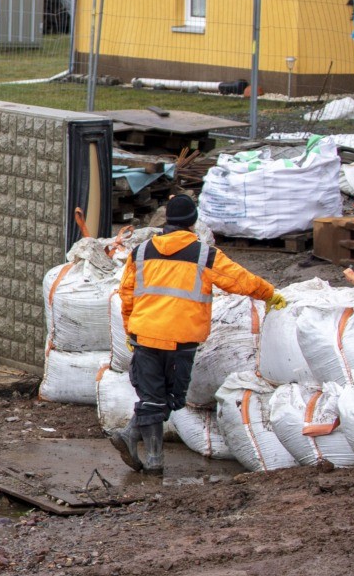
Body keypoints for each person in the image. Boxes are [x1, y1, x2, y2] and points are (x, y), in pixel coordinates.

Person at [112, 193, 286, 472]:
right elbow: (239, 280)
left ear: (167, 221)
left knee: (152, 397)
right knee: (171, 398)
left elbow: (127, 295)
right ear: (192, 223)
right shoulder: (204, 255)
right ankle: (153, 458)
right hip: (181, 340)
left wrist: (129, 330)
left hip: (145, 335)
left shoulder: (141, 252)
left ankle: (132, 435)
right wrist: (269, 294)